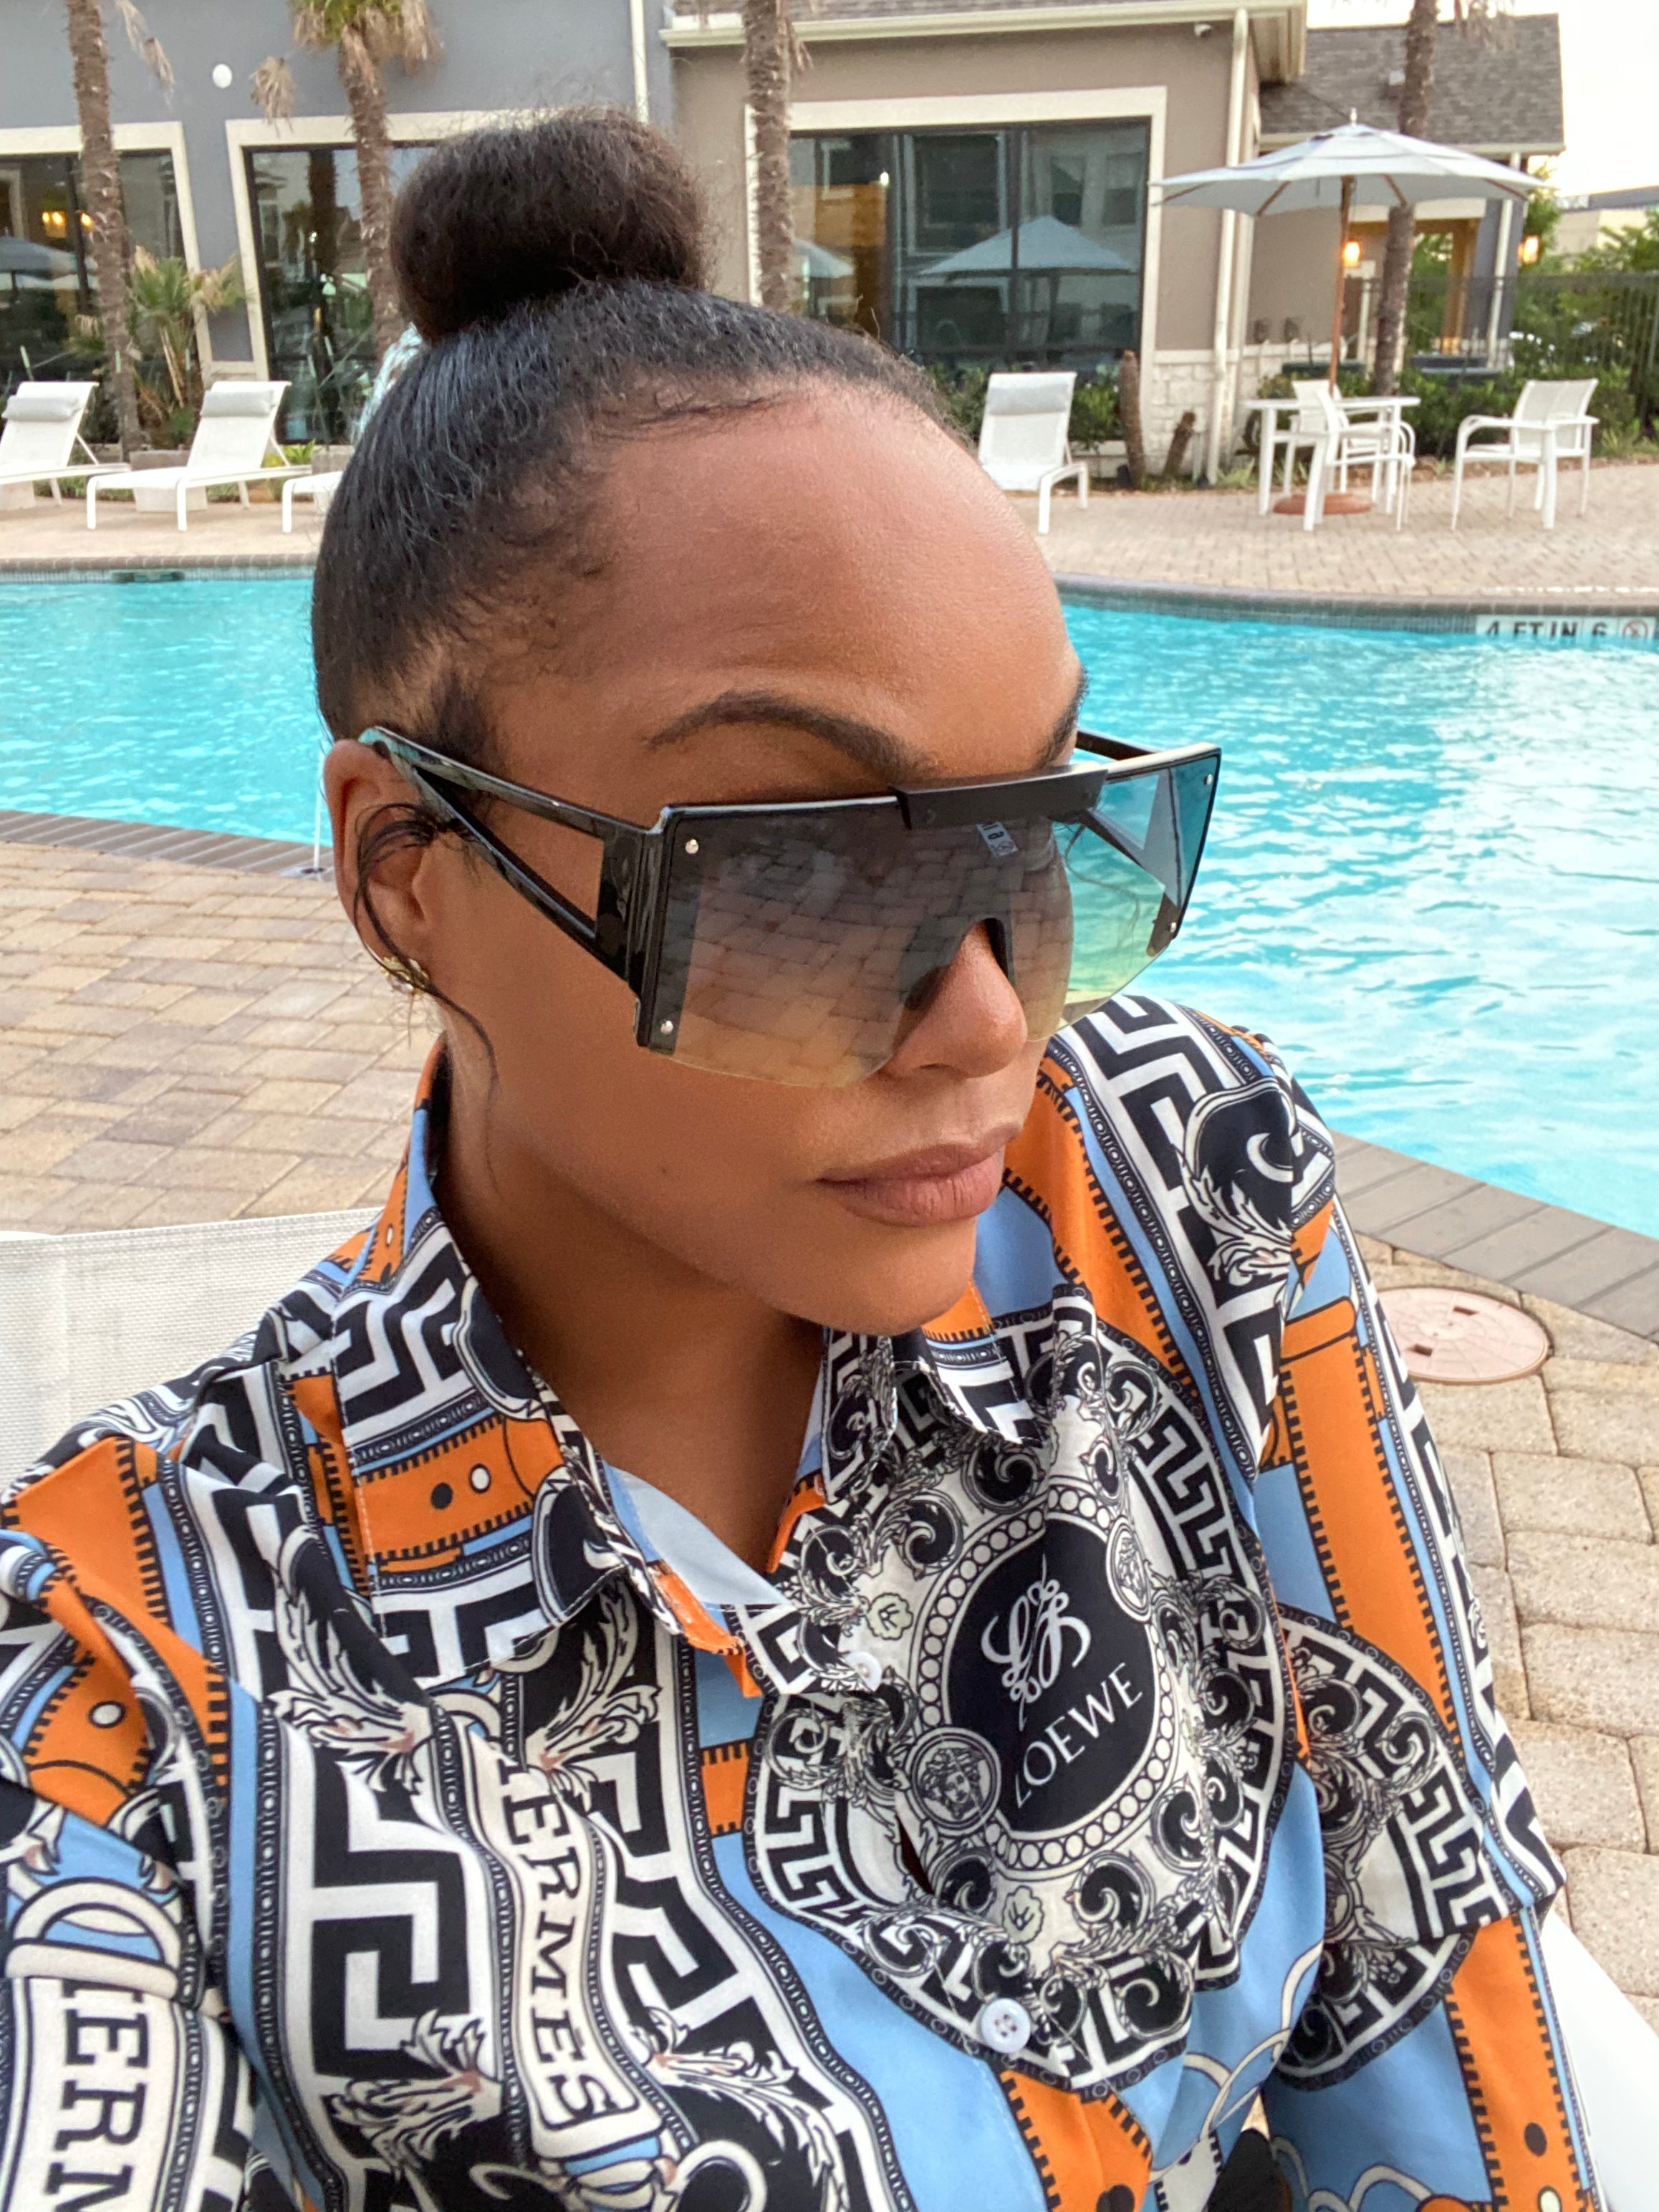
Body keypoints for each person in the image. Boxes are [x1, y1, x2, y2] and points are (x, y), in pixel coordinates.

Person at [0, 111, 1595, 2212]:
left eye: (1050, 823)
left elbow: (1445, 1979)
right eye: (804, 865)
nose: (993, 1018)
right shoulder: (154, 1696)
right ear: (409, 876)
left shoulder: (1168, 1185)